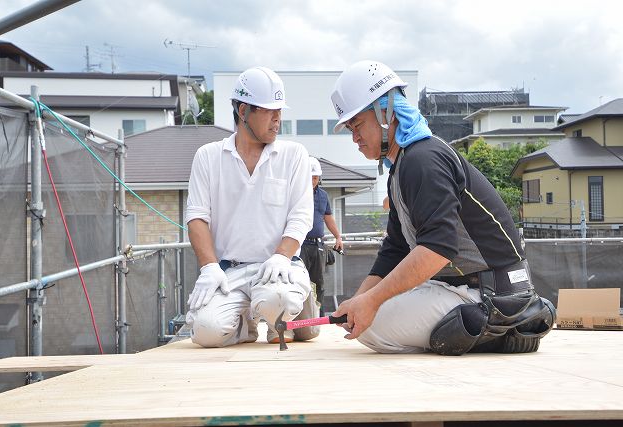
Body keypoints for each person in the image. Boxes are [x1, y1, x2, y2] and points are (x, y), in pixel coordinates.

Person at [330, 60, 555, 355]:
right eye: (350, 129)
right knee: (367, 315)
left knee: (373, 325)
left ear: (386, 113)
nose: (354, 137)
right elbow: (396, 249)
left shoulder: (424, 159)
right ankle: (480, 327)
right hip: (463, 289)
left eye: (357, 125)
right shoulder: (403, 166)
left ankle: (499, 328)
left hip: (493, 294)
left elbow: (437, 248)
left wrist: (371, 303)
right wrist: (359, 300)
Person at [184, 66, 316, 347]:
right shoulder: (208, 157)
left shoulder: (294, 155)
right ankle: (249, 320)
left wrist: (281, 256)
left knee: (275, 301)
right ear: (243, 111)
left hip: (279, 269)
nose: (278, 119)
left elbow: (301, 216)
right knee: (206, 332)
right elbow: (196, 218)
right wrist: (209, 267)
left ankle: (290, 306)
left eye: (280, 110)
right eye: (270, 111)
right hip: (230, 272)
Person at [299, 157, 344, 315]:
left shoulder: (323, 195)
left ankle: (318, 316)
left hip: (317, 245)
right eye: (310, 177)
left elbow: (328, 217)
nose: (313, 181)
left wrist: (338, 236)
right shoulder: (295, 193)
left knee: (318, 282)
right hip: (300, 245)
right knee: (299, 281)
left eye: (316, 178)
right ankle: (299, 317)